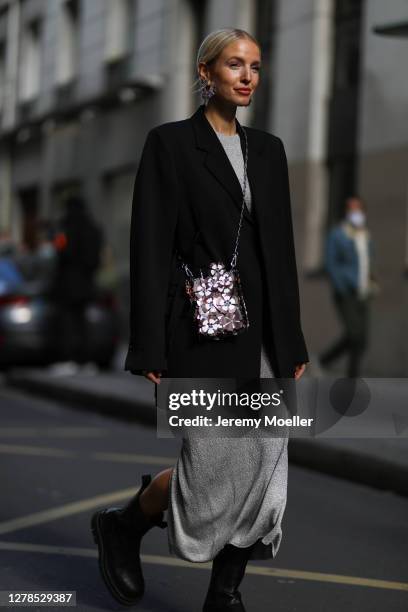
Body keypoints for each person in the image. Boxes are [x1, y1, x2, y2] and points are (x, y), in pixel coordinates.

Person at [91, 28, 308, 611]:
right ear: (205, 71)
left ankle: (224, 594)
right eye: (234, 65)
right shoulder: (169, 144)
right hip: (200, 327)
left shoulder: (270, 150)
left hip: (264, 337)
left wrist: (292, 340)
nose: (247, 77)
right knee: (208, 470)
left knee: (266, 468)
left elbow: (280, 253)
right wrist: (150, 347)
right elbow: (151, 246)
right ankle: (126, 523)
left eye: (255, 67)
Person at [319, 196, 378, 377]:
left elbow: (367, 262)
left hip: (363, 292)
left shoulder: (365, 236)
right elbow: (330, 263)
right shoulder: (338, 234)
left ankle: (342, 371)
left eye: (358, 209)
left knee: (362, 339)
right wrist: (342, 286)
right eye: (351, 210)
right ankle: (331, 364)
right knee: (354, 334)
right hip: (346, 292)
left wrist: (371, 281)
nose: (355, 214)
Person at [50, 196, 104, 365]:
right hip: (87, 283)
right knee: (82, 323)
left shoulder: (68, 229)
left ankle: (71, 358)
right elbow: (96, 259)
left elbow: (62, 251)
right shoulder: (93, 229)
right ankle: (85, 359)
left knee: (69, 323)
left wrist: (57, 240)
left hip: (69, 284)